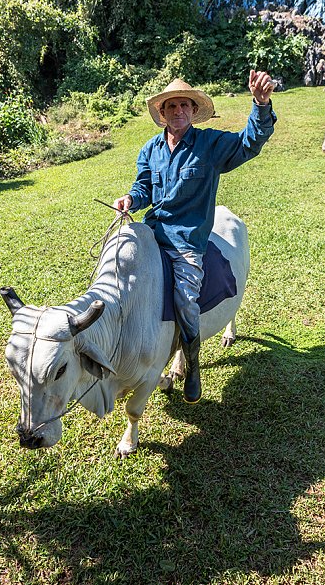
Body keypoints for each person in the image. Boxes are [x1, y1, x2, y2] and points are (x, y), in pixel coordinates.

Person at [114, 72, 276, 404]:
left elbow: (250, 141)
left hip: (186, 242)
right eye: (170, 106)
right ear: (162, 112)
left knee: (186, 301)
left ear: (193, 110)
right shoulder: (150, 150)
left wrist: (260, 104)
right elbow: (143, 187)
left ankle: (192, 363)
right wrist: (131, 199)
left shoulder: (210, 146)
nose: (177, 111)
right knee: (120, 279)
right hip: (152, 233)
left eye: (184, 105)